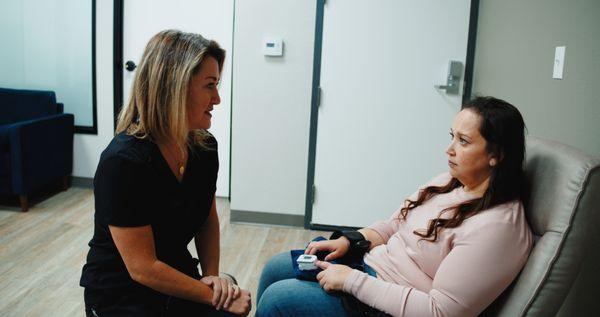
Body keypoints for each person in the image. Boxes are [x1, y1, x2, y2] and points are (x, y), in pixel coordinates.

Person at [256, 96, 533, 317]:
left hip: (389, 303)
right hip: (369, 268)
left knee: (278, 300)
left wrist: (351, 281)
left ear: (496, 155)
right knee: (275, 268)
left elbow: (440, 311)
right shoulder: (451, 181)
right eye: (452, 136)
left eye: (463, 141)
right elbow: (394, 225)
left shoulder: (498, 228)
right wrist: (352, 241)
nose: (448, 149)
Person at [80, 30, 251, 316]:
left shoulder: (204, 148)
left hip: (177, 277)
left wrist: (214, 280)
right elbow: (142, 267)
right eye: (210, 86)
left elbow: (207, 219)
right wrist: (214, 297)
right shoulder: (123, 162)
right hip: (121, 296)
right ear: (175, 87)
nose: (218, 98)